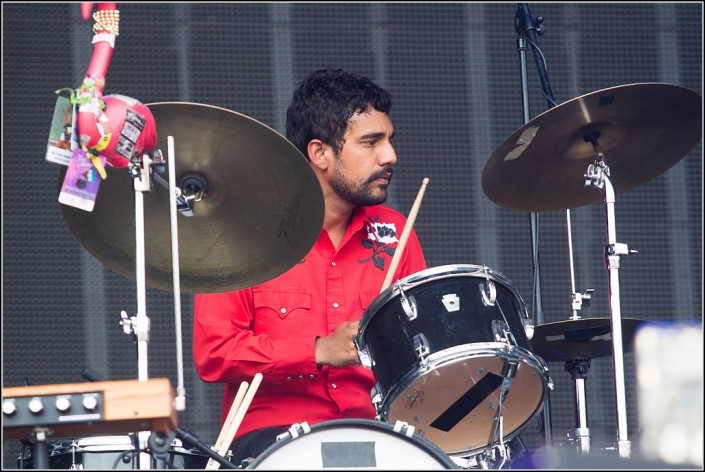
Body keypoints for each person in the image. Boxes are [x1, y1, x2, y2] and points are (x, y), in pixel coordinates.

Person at [192, 68, 427, 465]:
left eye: (389, 140)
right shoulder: (242, 233)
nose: (390, 156)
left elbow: (422, 354)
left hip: (377, 434)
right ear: (320, 153)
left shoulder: (395, 233)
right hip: (271, 444)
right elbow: (214, 353)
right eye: (370, 142)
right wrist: (317, 351)